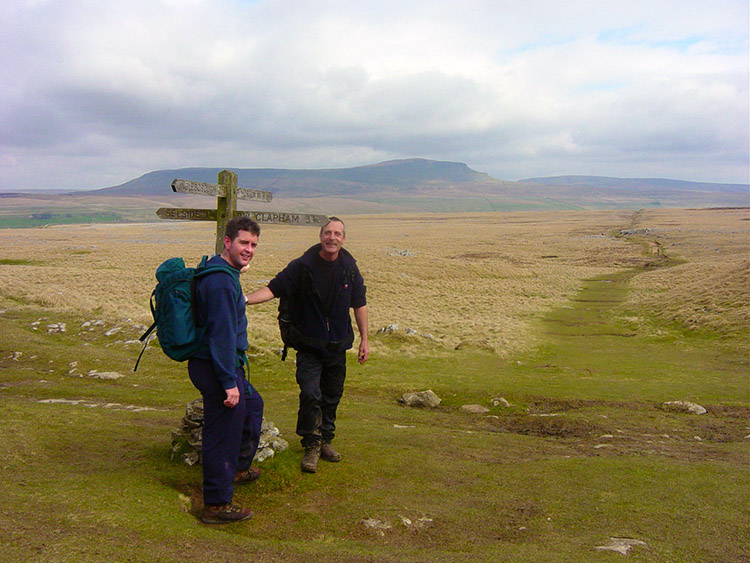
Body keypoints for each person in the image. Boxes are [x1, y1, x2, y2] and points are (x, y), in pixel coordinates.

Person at [245, 216, 368, 473]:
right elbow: (273, 288)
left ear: (343, 239)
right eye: (328, 233)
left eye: (337, 234)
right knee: (311, 394)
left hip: (337, 347)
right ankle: (311, 444)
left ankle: (326, 440)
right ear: (321, 236)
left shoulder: (349, 267)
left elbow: (359, 303)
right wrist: (243, 300)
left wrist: (365, 339)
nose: (332, 238)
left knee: (332, 395)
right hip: (309, 346)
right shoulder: (302, 266)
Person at [188, 216, 265, 524]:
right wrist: (228, 382)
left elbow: (232, 274)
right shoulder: (220, 282)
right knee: (222, 431)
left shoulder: (224, 272)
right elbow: (221, 335)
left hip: (221, 363)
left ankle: (236, 468)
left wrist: (239, 269)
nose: (249, 250)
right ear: (227, 242)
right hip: (216, 365)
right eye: (244, 243)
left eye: (254, 245)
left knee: (252, 407)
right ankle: (216, 504)